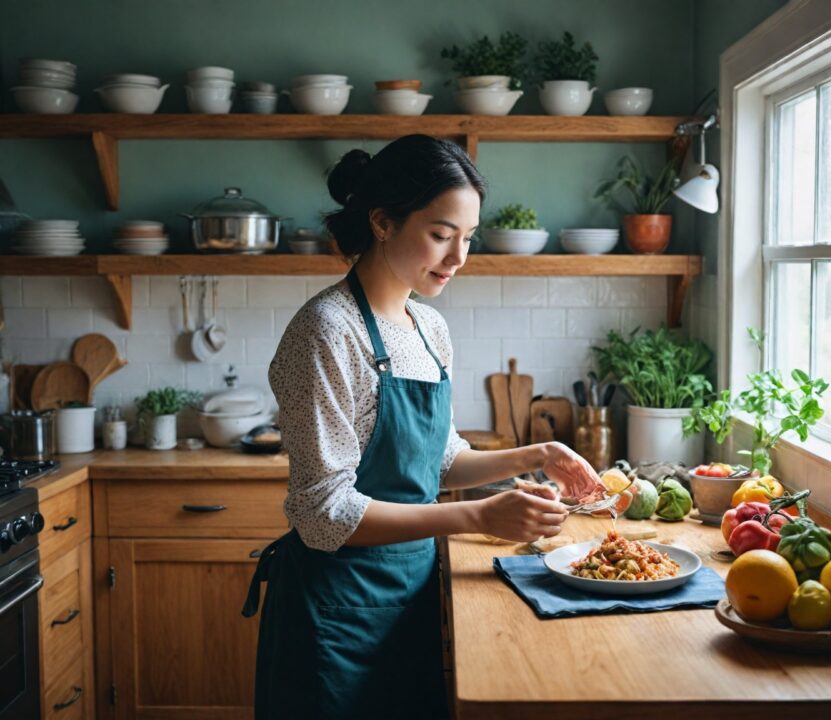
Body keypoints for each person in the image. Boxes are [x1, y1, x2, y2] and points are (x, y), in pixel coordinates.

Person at [243, 134, 603, 720]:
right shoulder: (326, 332)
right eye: (441, 235)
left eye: (468, 238)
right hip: (336, 617)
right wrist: (480, 515)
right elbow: (321, 513)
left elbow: (438, 459)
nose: (459, 257)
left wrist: (535, 454)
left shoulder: (428, 328)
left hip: (411, 598)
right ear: (382, 222)